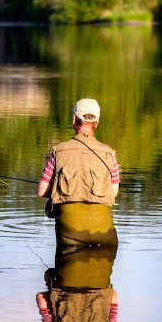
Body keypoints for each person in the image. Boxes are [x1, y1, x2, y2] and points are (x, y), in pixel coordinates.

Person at [37, 98, 120, 247]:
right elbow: (113, 193)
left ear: (74, 119)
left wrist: (59, 188)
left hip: (70, 236)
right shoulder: (110, 154)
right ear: (97, 123)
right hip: (105, 237)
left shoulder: (57, 152)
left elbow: (42, 191)